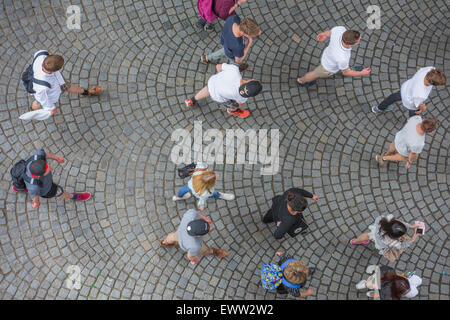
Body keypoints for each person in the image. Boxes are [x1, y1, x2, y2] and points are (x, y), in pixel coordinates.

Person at [29, 50, 102, 116]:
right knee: (38, 101)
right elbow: (42, 98)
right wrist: (51, 108)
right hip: (43, 91)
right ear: (54, 71)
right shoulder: (42, 88)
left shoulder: (41, 54)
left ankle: (85, 92)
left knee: (67, 86)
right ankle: (33, 109)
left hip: (55, 80)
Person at [12, 149, 91, 208]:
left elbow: (45, 154)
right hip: (47, 189)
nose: (50, 169)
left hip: (30, 182)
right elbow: (35, 197)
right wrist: (36, 203)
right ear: (38, 176)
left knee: (28, 187)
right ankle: (72, 196)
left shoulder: (37, 156)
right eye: (47, 170)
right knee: (60, 192)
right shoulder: (34, 187)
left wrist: (56, 158)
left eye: (47, 165)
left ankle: (19, 188)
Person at [297, 26, 371, 87]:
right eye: (358, 40)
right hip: (327, 67)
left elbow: (330, 32)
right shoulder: (343, 58)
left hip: (328, 55)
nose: (360, 39)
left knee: (343, 66)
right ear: (351, 44)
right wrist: (361, 73)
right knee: (315, 74)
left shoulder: (340, 30)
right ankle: (301, 80)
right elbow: (346, 72)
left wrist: (324, 34)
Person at [184, 63, 262, 118]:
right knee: (235, 105)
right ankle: (232, 111)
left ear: (250, 80)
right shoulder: (242, 97)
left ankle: (191, 100)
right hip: (218, 96)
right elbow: (239, 104)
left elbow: (218, 67)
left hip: (213, 82)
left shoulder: (234, 70)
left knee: (209, 88)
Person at [159, 209, 229, 265]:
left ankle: (164, 242)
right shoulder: (195, 245)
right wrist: (195, 260)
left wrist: (205, 219)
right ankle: (214, 251)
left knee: (171, 237)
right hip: (187, 244)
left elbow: (197, 214)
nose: (210, 229)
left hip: (179, 233)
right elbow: (190, 256)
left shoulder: (191, 214)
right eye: (207, 231)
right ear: (198, 236)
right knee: (205, 250)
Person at [372, 68, 446, 116]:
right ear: (431, 83)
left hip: (406, 88)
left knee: (393, 97)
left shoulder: (430, 69)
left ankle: (379, 108)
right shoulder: (421, 94)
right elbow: (417, 105)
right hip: (409, 100)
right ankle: (411, 122)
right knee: (413, 113)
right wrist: (423, 108)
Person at [350, 214, 422, 260]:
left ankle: (354, 241)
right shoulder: (390, 241)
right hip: (381, 242)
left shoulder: (386, 220)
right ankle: (358, 241)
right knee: (371, 237)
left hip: (377, 231)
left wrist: (411, 226)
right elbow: (400, 246)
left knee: (367, 235)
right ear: (393, 236)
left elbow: (397, 222)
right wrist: (412, 239)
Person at [356, 266, 423, 300]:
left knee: (370, 284)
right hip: (381, 293)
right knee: (377, 294)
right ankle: (370, 294)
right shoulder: (391, 297)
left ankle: (360, 286)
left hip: (377, 281)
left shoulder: (388, 271)